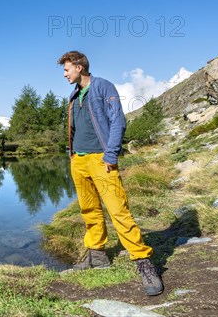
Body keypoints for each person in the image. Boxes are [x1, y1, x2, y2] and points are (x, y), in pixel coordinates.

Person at [57, 51, 163, 296]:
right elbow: (75, 128)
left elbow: (118, 122)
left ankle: (143, 261)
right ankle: (97, 255)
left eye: (66, 69)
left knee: (118, 210)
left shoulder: (104, 87)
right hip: (79, 161)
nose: (64, 74)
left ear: (80, 67)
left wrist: (111, 154)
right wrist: (72, 154)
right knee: (88, 209)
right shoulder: (73, 95)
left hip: (101, 160)